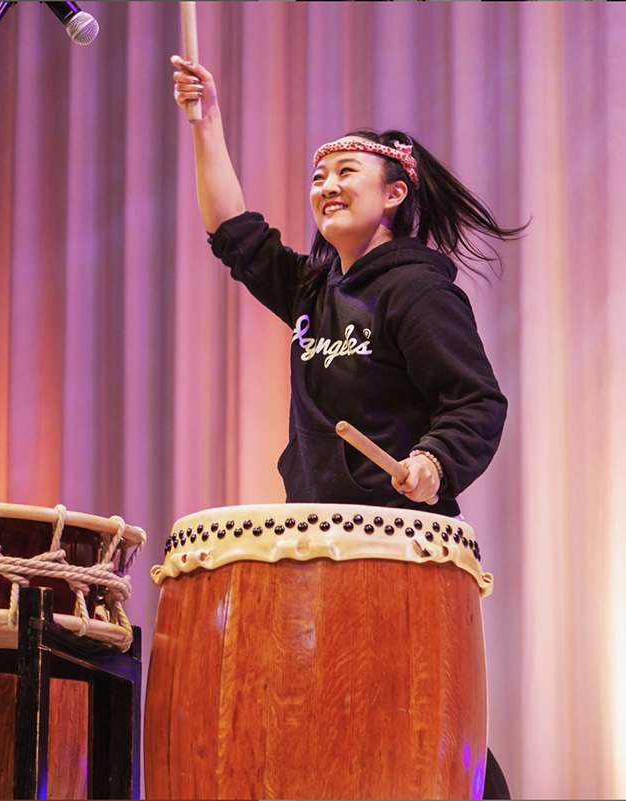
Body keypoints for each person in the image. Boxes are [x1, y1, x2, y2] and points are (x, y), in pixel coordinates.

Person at [171, 54, 524, 800]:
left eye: (345, 175)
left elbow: (477, 401)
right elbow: (233, 232)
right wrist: (207, 124)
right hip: (321, 538)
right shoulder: (316, 286)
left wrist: (432, 459)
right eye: (317, 176)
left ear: (394, 193)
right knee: (342, 736)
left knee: (411, 733)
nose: (325, 187)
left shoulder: (417, 290)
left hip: (396, 548)